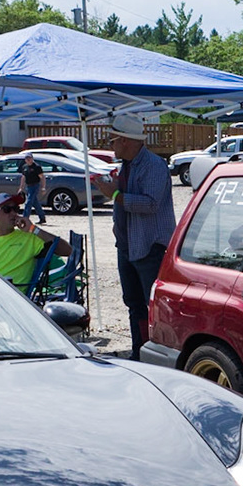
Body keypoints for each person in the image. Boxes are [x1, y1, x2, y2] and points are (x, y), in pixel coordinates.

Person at [89, 114, 173, 359]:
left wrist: (114, 195)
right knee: (134, 304)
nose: (110, 145)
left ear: (124, 140)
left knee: (154, 307)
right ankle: (139, 353)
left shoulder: (153, 165)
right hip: (128, 246)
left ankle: (158, 356)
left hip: (150, 248)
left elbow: (150, 204)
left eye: (112, 140)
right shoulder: (127, 165)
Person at [0, 193, 69, 289]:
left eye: (16, 209)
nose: (13, 213)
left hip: (17, 295)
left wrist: (33, 229)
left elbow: (67, 250)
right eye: (7, 209)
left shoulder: (29, 237)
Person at [20, 153, 46, 223]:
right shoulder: (24, 167)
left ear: (32, 159)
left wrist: (43, 187)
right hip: (28, 186)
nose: (28, 160)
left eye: (29, 158)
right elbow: (23, 177)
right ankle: (42, 217)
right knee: (35, 203)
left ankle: (25, 219)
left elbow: (42, 177)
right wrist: (21, 188)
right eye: (26, 158)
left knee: (28, 202)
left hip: (35, 186)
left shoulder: (37, 167)